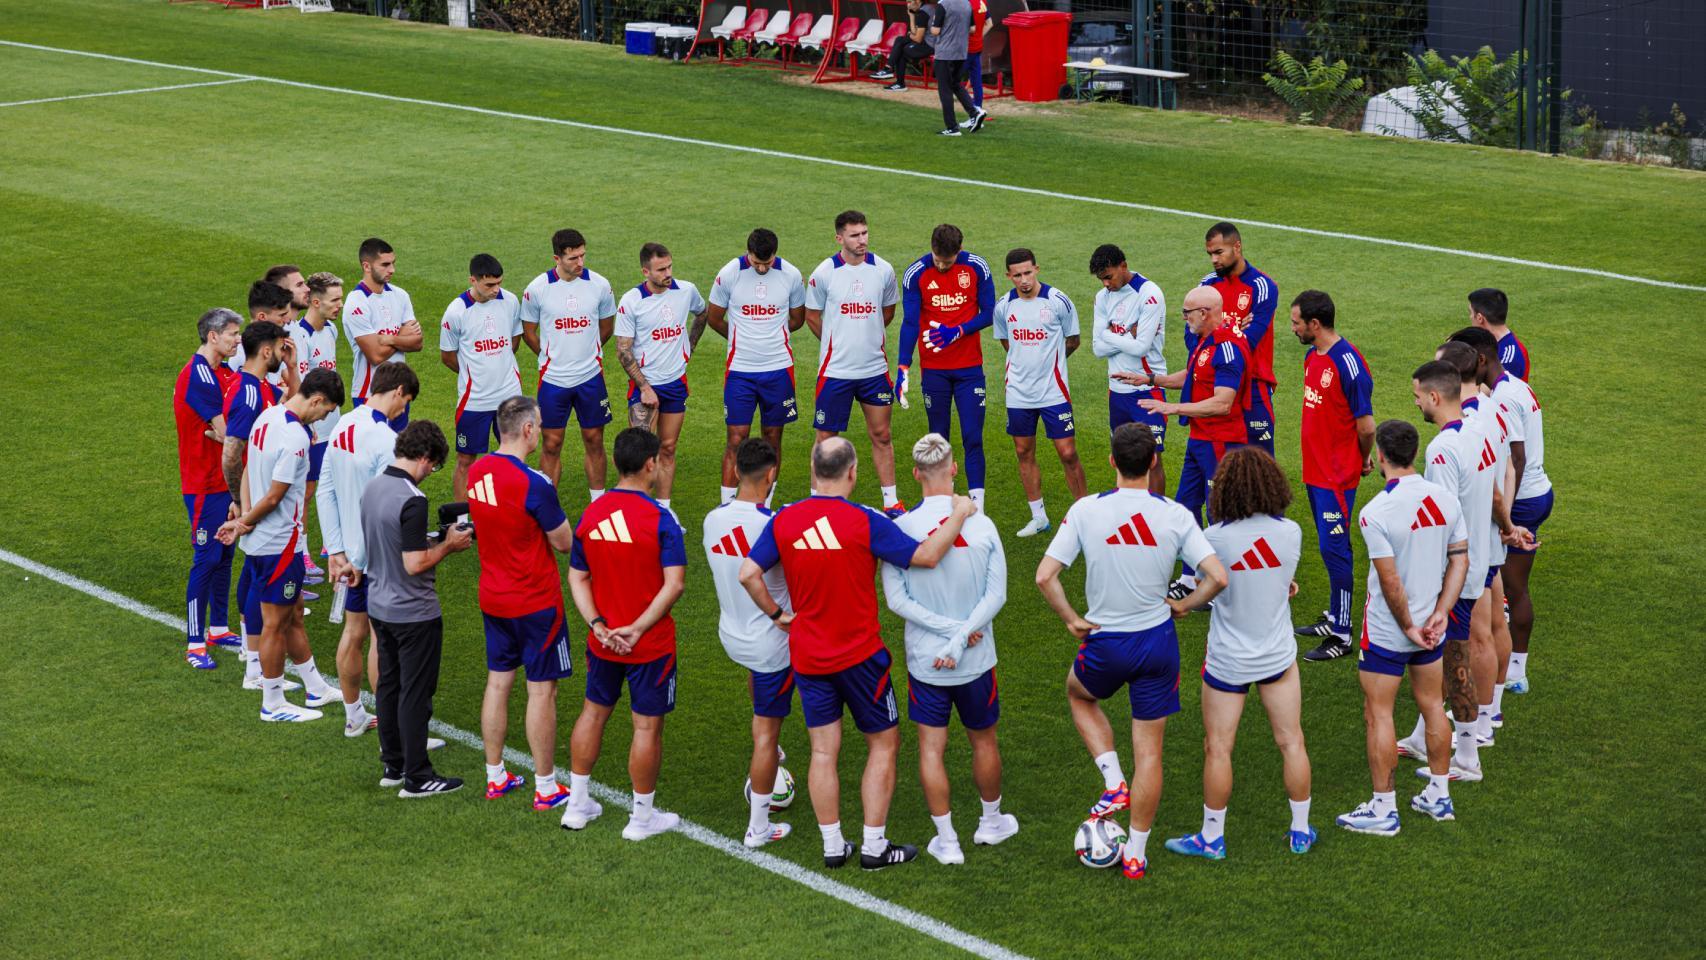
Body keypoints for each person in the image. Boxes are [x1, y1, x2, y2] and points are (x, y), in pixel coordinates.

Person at [737, 437, 975, 870]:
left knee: (823, 752)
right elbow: (925, 556)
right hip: (862, 658)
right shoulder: (865, 521)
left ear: (813, 470)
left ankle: (832, 846)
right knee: (883, 745)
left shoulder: (785, 519)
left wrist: (776, 613)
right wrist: (959, 513)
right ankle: (873, 845)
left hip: (809, 656)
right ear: (853, 472)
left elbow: (748, 573)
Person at [1035, 424, 1229, 881]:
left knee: (1080, 695)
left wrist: (1071, 619)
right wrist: (1183, 604)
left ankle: (1112, 781)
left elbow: (1045, 576)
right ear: (1154, 462)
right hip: (1157, 643)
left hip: (1105, 640)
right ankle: (1136, 854)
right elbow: (1217, 577)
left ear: (1111, 462)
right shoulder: (1176, 514)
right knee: (1152, 754)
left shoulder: (1086, 510)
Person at [1163, 447, 1314, 859]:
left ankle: (1212, 837)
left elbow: (1209, 586)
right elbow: (1282, 581)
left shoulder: (1213, 540)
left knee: (1218, 747)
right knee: (1292, 742)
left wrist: (1182, 606)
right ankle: (1300, 831)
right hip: (1278, 656)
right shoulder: (1292, 533)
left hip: (1229, 659)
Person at [881, 434, 1015, 865]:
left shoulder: (901, 529)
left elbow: (897, 601)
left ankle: (948, 839)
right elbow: (996, 598)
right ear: (954, 468)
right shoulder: (983, 524)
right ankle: (991, 822)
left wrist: (947, 635)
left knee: (930, 749)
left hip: (927, 662)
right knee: (984, 742)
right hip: (976, 660)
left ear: (916, 474)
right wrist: (962, 635)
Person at [1336, 419, 1469, 835]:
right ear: (1413, 453)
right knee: (1432, 705)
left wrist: (1409, 626)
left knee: (1379, 714)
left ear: (1379, 457)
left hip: (1390, 631)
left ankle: (1383, 808)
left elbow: (1389, 580)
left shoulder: (1375, 512)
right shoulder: (1446, 501)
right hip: (1433, 627)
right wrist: (1442, 612)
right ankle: (1439, 794)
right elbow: (1460, 558)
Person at [563, 428, 688, 840]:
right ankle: (641, 818)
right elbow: (674, 585)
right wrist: (635, 628)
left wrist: (598, 625)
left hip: (603, 644)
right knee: (646, 728)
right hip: (648, 645)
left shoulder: (591, 514)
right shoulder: (660, 519)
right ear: (650, 464)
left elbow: (578, 577)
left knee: (593, 713)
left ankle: (577, 804)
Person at [1396, 360, 1517, 783]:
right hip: (1478, 561)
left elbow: (1441, 522)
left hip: (1456, 575)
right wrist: (1506, 528)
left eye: (1416, 395)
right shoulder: (1477, 427)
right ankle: (1419, 736)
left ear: (1434, 397)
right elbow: (1496, 492)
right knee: (1447, 656)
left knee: (1454, 660)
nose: (1415, 402)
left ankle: (1466, 756)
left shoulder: (1441, 451)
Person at [214, 369, 346, 721]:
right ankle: (273, 703)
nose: (324, 418)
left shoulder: (267, 416)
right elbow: (274, 497)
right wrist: (243, 523)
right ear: (317, 400)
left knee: (294, 613)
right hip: (280, 545)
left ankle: (314, 687)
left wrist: (243, 514)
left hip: (263, 543)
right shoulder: (295, 439)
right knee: (275, 623)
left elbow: (245, 472)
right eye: (327, 410)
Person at [467, 397, 578, 811]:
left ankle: (495, 774)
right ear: (528, 430)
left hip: (493, 594)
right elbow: (564, 542)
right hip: (534, 600)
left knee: (498, 681)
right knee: (540, 690)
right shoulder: (534, 483)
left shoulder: (477, 471)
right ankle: (546, 786)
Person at [359, 419, 472, 796]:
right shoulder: (413, 498)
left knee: (389, 687)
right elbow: (413, 563)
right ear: (425, 458)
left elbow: (391, 541)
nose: (431, 474)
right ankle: (418, 776)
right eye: (434, 466)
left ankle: (393, 764)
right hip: (413, 611)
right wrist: (447, 547)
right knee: (414, 693)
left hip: (379, 605)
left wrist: (429, 539)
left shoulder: (374, 488)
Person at [1116, 286, 1251, 600]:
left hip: (1220, 441)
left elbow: (1223, 403)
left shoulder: (1228, 348)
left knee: (1219, 514)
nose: (1183, 317)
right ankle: (1191, 577)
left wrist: (1173, 408)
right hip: (1200, 438)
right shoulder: (1209, 339)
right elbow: (1193, 376)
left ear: (1204, 313)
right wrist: (1150, 380)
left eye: (1187, 312)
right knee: (1186, 505)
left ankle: (1221, 583)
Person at [702, 438, 795, 848]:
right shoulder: (773, 526)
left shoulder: (710, 519)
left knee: (762, 711)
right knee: (766, 736)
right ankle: (759, 827)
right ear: (771, 475)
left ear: (736, 471)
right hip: (770, 643)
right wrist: (780, 615)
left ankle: (769, 755)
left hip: (732, 635)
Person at [318, 361, 419, 737]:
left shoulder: (343, 424)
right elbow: (381, 507)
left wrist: (336, 552)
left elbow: (326, 490)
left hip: (348, 556)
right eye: (404, 402)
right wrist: (357, 558)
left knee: (353, 631)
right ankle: (393, 727)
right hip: (373, 558)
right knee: (382, 640)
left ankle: (354, 715)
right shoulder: (384, 439)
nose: (402, 410)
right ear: (397, 393)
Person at [1288, 290, 1375, 662]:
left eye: (1295, 323)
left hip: (1337, 477)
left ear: (1315, 324)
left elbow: (1367, 425)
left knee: (1335, 550)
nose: (1292, 329)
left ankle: (1342, 633)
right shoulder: (1313, 357)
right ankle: (1333, 615)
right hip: (1315, 470)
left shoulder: (1349, 363)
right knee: (1327, 546)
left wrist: (1363, 457)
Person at [805, 211, 904, 514]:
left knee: (882, 435)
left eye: (864, 233)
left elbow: (888, 311)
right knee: (826, 438)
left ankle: (891, 502)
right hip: (836, 371)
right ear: (839, 238)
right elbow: (812, 316)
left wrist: (865, 336)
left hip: (874, 369)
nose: (862, 240)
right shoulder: (824, 273)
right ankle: (816, 500)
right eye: (854, 235)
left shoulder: (883, 269)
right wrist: (839, 343)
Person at [704, 228, 807, 504]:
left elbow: (798, 318)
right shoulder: (729, 274)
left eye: (767, 262)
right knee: (737, 438)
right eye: (756, 262)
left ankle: (764, 503)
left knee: (772, 439)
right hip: (740, 371)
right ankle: (727, 505)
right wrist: (742, 339)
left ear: (775, 254)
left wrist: (770, 335)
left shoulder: (791, 275)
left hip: (778, 369)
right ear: (748, 252)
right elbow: (714, 318)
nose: (762, 268)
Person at [897, 224, 996, 510]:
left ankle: (978, 505)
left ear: (959, 252)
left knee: (973, 436)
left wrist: (958, 331)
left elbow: (990, 312)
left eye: (948, 262)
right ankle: (937, 503)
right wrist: (904, 366)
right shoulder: (916, 273)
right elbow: (910, 322)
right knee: (937, 437)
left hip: (969, 369)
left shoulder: (976, 267)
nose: (941, 265)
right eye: (937, 259)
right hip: (934, 370)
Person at [993, 248, 1086, 536]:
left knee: (1067, 453)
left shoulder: (1058, 301)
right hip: (1018, 393)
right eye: (1017, 275)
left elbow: (1073, 340)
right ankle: (1039, 517)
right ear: (1009, 276)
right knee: (1024, 451)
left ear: (1037, 269)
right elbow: (1007, 342)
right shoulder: (1003, 306)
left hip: (1053, 391)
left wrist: (1051, 363)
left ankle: (1084, 517)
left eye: (1028, 272)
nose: (1023, 280)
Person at [222, 320, 294, 689]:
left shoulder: (262, 387)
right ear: (267, 351)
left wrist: (293, 368)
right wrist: (239, 504)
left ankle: (253, 662)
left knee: (252, 571)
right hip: (254, 502)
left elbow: (294, 411)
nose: (284, 352)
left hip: (257, 499)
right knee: (255, 575)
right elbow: (233, 453)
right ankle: (254, 667)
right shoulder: (249, 393)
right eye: (282, 347)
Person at [520, 228, 618, 499]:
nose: (580, 263)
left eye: (583, 256)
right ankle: (547, 505)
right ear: (556, 258)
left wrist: (589, 352)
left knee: (595, 440)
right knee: (551, 444)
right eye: (573, 258)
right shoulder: (537, 289)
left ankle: (598, 504)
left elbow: (607, 326)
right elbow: (528, 331)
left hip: (590, 378)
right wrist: (549, 356)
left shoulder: (599, 285)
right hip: (554, 381)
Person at [175, 307, 243, 669]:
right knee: (206, 558)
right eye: (232, 333)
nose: (237, 339)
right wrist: (234, 436)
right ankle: (194, 641)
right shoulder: (199, 375)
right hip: (204, 482)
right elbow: (226, 433)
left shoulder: (223, 370)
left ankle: (217, 626)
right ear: (212, 336)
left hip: (223, 479)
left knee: (226, 553)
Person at [615, 242, 706, 509]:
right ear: (646, 271)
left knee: (667, 448)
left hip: (676, 383)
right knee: (639, 453)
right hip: (646, 386)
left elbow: (702, 314)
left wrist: (688, 347)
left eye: (670, 266)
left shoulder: (686, 291)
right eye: (661, 269)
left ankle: (664, 511)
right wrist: (644, 386)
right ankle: (636, 510)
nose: (668, 273)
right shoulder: (632, 301)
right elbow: (623, 350)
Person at [439, 253, 524, 501]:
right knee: (466, 460)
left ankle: (510, 509)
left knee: (514, 457)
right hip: (473, 401)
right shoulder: (456, 312)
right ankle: (462, 521)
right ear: (473, 280)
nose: (496, 289)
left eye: (499, 283)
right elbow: (447, 356)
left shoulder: (509, 301)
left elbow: (514, 339)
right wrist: (473, 372)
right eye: (489, 285)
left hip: (509, 397)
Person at [1089, 244, 1168, 494]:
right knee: (1122, 460)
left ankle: (1155, 518)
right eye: (1101, 279)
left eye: (1108, 277)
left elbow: (1141, 348)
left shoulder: (1149, 294)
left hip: (1147, 390)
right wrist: (1124, 337)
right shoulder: (1103, 297)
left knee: (1152, 460)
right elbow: (1097, 349)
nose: (1105, 284)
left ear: (1123, 266)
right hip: (1117, 393)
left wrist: (1107, 334)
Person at [1199, 222, 1279, 454]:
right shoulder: (1207, 284)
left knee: (1260, 465)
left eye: (1218, 252)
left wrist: (1215, 332)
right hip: (1215, 385)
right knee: (1219, 464)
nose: (1214, 260)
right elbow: (1192, 338)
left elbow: (1250, 342)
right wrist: (1234, 328)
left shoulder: (1262, 287)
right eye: (1210, 254)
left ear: (1237, 246)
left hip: (1253, 385)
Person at [295, 272, 345, 587]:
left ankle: (331, 541)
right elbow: (299, 388)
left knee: (332, 483)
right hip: (312, 427)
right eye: (334, 300)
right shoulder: (299, 337)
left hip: (333, 424)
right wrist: (306, 427)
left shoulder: (331, 330)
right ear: (315, 301)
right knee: (306, 490)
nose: (340, 305)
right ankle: (300, 552)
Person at [344, 237, 424, 429]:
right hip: (369, 393)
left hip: (399, 391)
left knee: (398, 451)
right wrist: (402, 335)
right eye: (385, 265)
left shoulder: (400, 295)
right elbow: (375, 355)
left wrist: (389, 338)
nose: (392, 270)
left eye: (393, 264)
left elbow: (417, 343)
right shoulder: (357, 302)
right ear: (367, 266)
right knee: (371, 452)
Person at [925, 0, 986, 135]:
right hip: (961, 52)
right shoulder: (966, 4)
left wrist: (931, 25)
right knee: (956, 84)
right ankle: (974, 112)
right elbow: (972, 29)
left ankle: (952, 127)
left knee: (945, 90)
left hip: (945, 53)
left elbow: (935, 31)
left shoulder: (943, 5)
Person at [227, 280, 299, 392]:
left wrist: (292, 367)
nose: (287, 320)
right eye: (282, 315)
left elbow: (294, 395)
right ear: (262, 317)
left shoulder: (275, 346)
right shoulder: (242, 356)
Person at [1467, 288, 1529, 381]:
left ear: (1480, 318)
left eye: (1470, 313)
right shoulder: (1485, 342)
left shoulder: (1510, 357)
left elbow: (1490, 392)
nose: (1470, 317)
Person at [875, 0, 932, 92]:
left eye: (910, 2)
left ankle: (897, 79)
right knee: (900, 40)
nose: (908, 5)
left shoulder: (923, 13)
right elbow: (915, 33)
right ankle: (889, 69)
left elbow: (918, 38)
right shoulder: (927, 8)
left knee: (901, 50)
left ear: (918, 1)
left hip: (930, 46)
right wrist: (912, 16)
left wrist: (910, 35)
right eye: (907, 2)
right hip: (929, 42)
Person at [966, 0, 991, 109]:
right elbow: (990, 24)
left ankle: (973, 111)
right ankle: (978, 108)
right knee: (976, 80)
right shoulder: (982, 1)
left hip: (966, 47)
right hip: (977, 45)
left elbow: (970, 28)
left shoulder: (966, 3)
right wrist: (979, 37)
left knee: (953, 81)